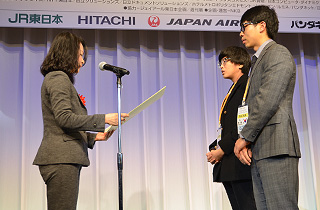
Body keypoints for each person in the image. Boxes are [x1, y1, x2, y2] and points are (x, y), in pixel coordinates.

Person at [33, 31, 129, 210]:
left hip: (63, 158)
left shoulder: (59, 79)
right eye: (80, 55)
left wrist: (93, 137)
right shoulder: (57, 78)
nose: (82, 61)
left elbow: (62, 123)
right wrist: (105, 118)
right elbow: (64, 118)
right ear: (67, 53)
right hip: (61, 158)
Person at [234, 5, 301, 210]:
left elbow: (267, 100)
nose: (241, 33)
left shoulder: (277, 53)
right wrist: (248, 141)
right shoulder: (258, 61)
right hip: (261, 148)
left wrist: (244, 137)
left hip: (277, 147)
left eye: (245, 26)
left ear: (262, 26)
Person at [206, 46, 256, 210]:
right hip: (231, 162)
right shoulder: (234, 89)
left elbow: (243, 125)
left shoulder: (246, 88)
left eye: (225, 61)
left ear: (240, 64)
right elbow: (228, 127)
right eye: (220, 62)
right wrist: (215, 147)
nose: (221, 65)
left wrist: (221, 150)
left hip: (241, 162)